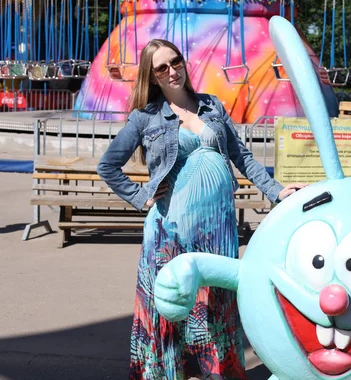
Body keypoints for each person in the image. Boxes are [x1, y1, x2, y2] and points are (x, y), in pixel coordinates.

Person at [97, 39, 305, 379]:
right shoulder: (145, 117)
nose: (171, 71)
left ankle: (217, 373)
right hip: (169, 230)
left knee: (215, 306)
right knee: (173, 307)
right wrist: (140, 196)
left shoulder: (211, 106)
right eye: (161, 68)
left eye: (175, 62)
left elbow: (242, 157)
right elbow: (108, 166)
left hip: (217, 229)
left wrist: (277, 191)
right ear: (153, 77)